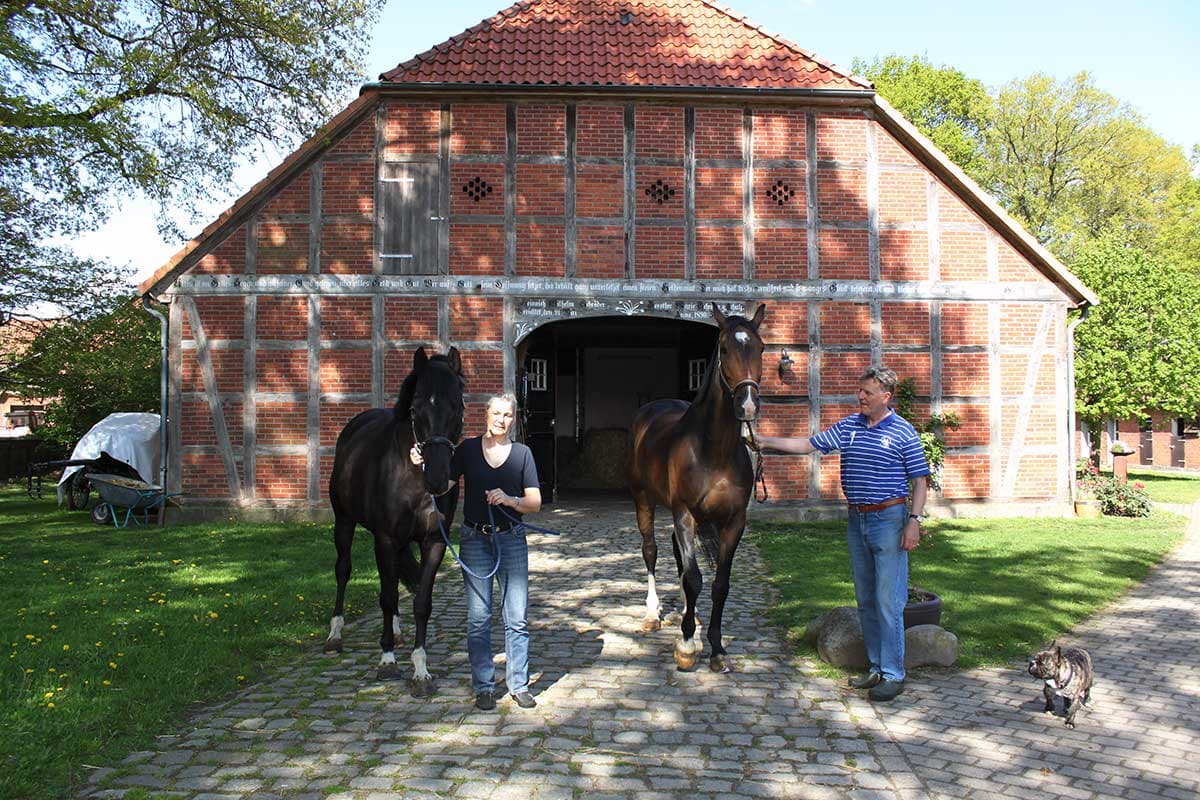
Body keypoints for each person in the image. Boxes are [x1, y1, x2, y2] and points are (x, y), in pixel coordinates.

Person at [757, 366, 929, 702]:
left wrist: (914, 521)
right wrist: (763, 440)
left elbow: (920, 481)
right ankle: (877, 668)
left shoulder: (904, 432)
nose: (860, 397)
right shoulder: (850, 426)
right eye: (860, 391)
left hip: (890, 520)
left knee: (888, 601)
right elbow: (808, 444)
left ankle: (894, 674)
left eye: (867, 392)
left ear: (886, 397)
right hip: (858, 520)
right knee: (866, 601)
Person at [411, 393, 542, 711]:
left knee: (517, 618)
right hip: (475, 540)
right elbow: (441, 487)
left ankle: (518, 684)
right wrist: (422, 464)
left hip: (511, 539)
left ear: (514, 419)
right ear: (486, 415)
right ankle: (484, 685)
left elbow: (534, 502)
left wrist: (509, 500)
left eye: (508, 415)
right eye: (496, 413)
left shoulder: (522, 454)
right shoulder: (467, 450)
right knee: (479, 619)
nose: (501, 419)